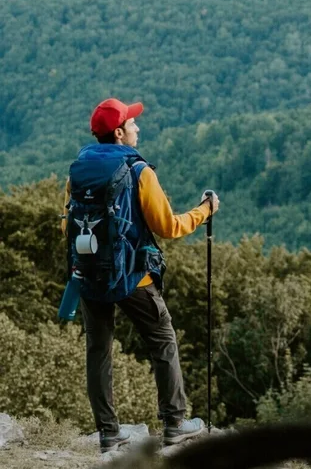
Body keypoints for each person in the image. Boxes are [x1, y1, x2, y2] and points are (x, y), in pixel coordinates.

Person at [61, 98, 220, 453]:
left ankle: (108, 433)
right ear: (119, 133)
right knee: (162, 340)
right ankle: (174, 424)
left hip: (88, 274)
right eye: (132, 123)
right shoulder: (138, 171)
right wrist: (204, 211)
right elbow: (168, 227)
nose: (137, 127)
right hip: (133, 277)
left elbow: (67, 226)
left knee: (98, 350)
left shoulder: (78, 171)